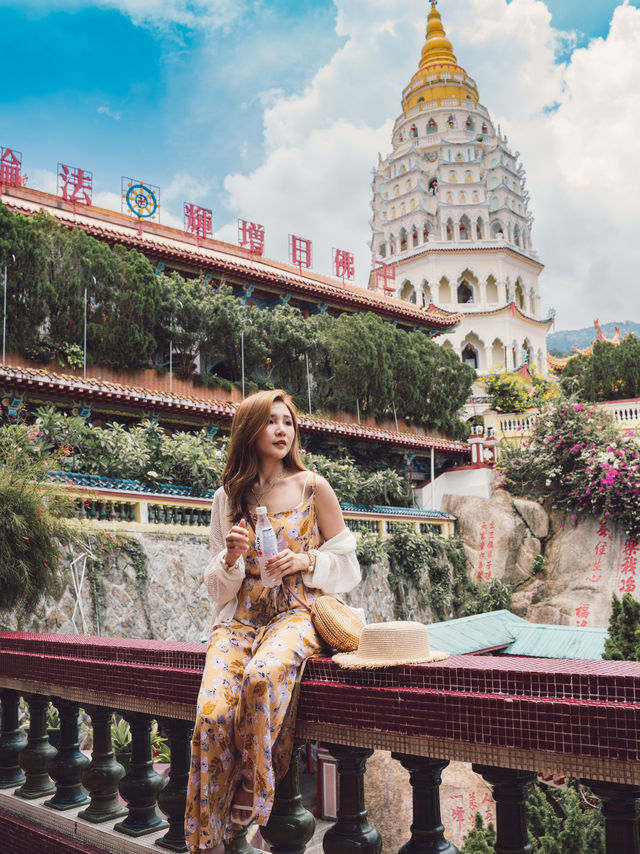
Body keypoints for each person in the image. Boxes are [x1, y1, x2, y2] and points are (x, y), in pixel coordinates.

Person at [185, 389, 361, 854]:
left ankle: (251, 783)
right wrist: (231, 557)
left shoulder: (312, 487)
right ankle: (208, 838)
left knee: (263, 676)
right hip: (239, 620)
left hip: (295, 615)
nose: (283, 430)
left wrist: (304, 562)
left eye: (288, 422)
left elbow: (349, 565)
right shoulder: (228, 498)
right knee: (211, 712)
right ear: (251, 429)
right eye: (272, 421)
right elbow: (217, 588)